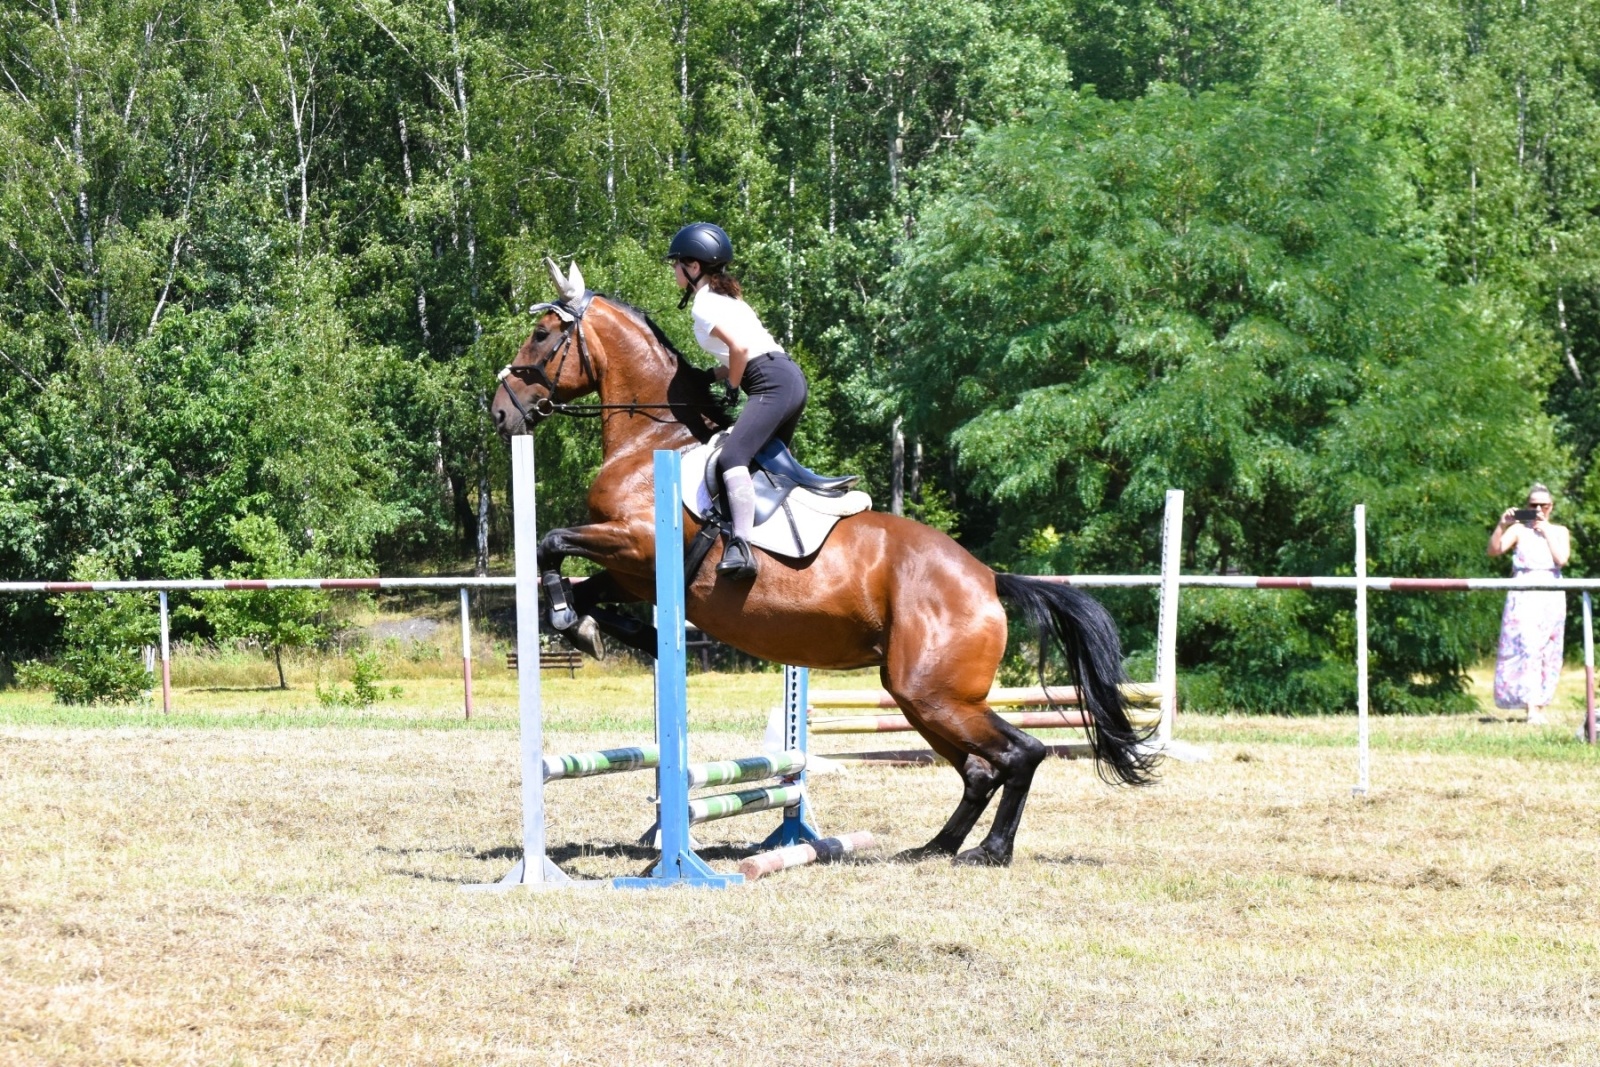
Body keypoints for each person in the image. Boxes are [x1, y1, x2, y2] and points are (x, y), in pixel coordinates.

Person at [666, 221, 809, 582]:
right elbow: (747, 350)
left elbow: (741, 350)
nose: (673, 270)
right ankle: (779, 544)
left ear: (693, 266)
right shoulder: (727, 299)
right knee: (763, 465)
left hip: (770, 383)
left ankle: (741, 546)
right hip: (787, 378)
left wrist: (731, 386)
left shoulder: (704, 305)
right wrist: (709, 377)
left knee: (732, 457)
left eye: (676, 263)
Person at [1487, 483, 1571, 724]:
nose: (1537, 510)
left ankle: (1540, 703)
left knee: (1548, 649)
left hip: (1551, 591)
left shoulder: (1559, 531)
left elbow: (1561, 559)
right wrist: (1502, 525)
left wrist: (1545, 531)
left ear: (1551, 507)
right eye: (1532, 505)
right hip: (1523, 590)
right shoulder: (1518, 530)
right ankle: (1530, 706)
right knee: (1527, 645)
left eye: (1542, 505)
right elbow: (1494, 551)